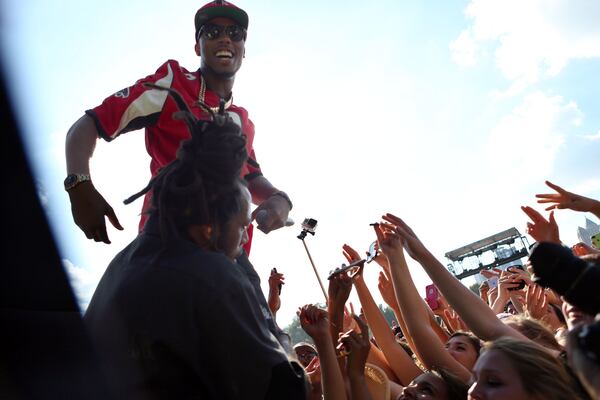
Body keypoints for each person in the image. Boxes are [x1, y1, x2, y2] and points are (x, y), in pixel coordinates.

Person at [83, 93, 306, 399]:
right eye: (242, 226)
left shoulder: (122, 264)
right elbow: (288, 389)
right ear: (206, 230)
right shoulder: (215, 276)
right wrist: (279, 336)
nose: (245, 239)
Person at [64, 0, 292, 246]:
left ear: (244, 48)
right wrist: (79, 186)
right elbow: (89, 124)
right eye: (212, 32)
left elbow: (251, 177)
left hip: (229, 255)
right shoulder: (172, 83)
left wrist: (279, 198)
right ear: (197, 46)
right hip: (167, 243)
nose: (225, 39)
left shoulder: (242, 120)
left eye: (235, 33)